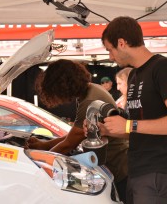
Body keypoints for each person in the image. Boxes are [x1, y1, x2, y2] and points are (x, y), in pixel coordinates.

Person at [99, 16, 167, 204]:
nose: (110, 56)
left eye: (110, 50)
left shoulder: (162, 68)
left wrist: (128, 125)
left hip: (157, 170)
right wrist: (108, 130)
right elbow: (139, 129)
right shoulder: (133, 75)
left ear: (122, 43)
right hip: (138, 169)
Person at [26, 59, 128, 203]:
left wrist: (39, 165)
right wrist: (44, 146)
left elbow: (69, 144)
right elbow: (74, 135)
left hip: (116, 166)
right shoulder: (89, 90)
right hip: (113, 164)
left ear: (60, 86)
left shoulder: (88, 101)